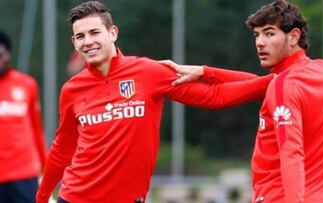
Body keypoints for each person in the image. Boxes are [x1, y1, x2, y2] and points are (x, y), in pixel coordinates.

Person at [35, 1, 275, 203]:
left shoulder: (148, 72)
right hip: (75, 197)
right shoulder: (72, 89)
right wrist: (42, 196)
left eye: (94, 32)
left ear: (113, 33)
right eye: (80, 36)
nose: (87, 41)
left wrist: (274, 81)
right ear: (74, 43)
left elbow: (215, 96)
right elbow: (62, 148)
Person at [162, 0, 323, 202]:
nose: (260, 42)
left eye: (269, 33)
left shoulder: (284, 87)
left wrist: (158, 81)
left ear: (294, 36)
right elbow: (257, 84)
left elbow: (291, 153)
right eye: (257, 35)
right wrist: (206, 72)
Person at [0, 30, 47, 203]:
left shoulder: (26, 85)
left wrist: (46, 168)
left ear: (8, 54)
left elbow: (37, 129)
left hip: (24, 173)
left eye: (0, 55)